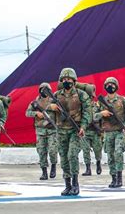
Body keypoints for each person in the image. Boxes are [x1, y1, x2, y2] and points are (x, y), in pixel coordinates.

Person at [49, 68, 91, 196]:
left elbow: (87, 112)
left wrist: (83, 126)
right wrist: (51, 107)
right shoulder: (56, 95)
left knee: (72, 155)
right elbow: (46, 108)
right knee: (63, 158)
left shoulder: (81, 94)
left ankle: (75, 184)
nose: (67, 81)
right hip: (61, 130)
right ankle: (67, 185)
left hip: (75, 130)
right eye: (64, 79)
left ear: (74, 80)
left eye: (69, 79)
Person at [94, 77, 125, 188]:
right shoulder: (101, 102)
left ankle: (119, 178)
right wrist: (102, 113)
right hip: (108, 132)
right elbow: (94, 116)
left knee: (118, 153)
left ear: (116, 86)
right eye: (108, 84)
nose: (110, 86)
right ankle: (113, 178)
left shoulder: (123, 100)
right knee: (110, 155)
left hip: (119, 131)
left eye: (112, 84)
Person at [25, 82, 58, 180]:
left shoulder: (54, 101)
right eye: (42, 89)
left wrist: (54, 108)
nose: (44, 91)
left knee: (53, 150)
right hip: (40, 130)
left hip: (52, 130)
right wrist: (36, 113)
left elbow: (61, 111)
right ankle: (44, 172)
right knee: (41, 151)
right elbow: (27, 113)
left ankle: (53, 166)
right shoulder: (35, 102)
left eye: (46, 89)